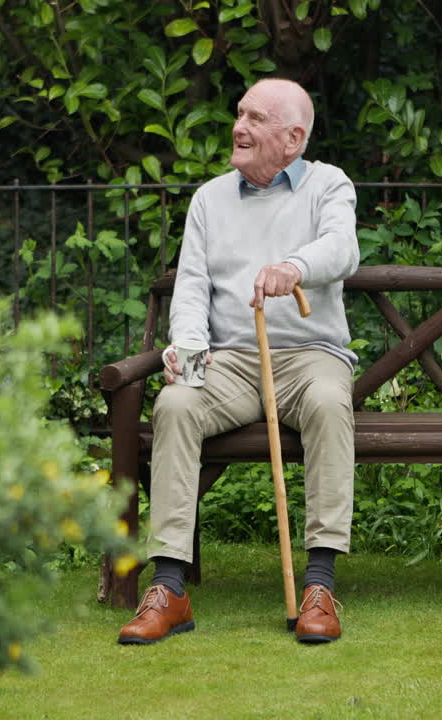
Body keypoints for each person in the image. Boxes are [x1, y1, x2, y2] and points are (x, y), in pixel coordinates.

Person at [117, 78, 359, 646]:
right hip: (229, 360)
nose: (238, 127)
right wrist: (187, 351)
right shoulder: (210, 199)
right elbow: (191, 287)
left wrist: (294, 267)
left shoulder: (328, 184)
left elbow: (343, 248)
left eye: (255, 119)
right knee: (175, 405)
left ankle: (320, 586)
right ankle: (169, 589)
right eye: (240, 114)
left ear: (292, 139)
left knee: (330, 403)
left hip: (309, 358)